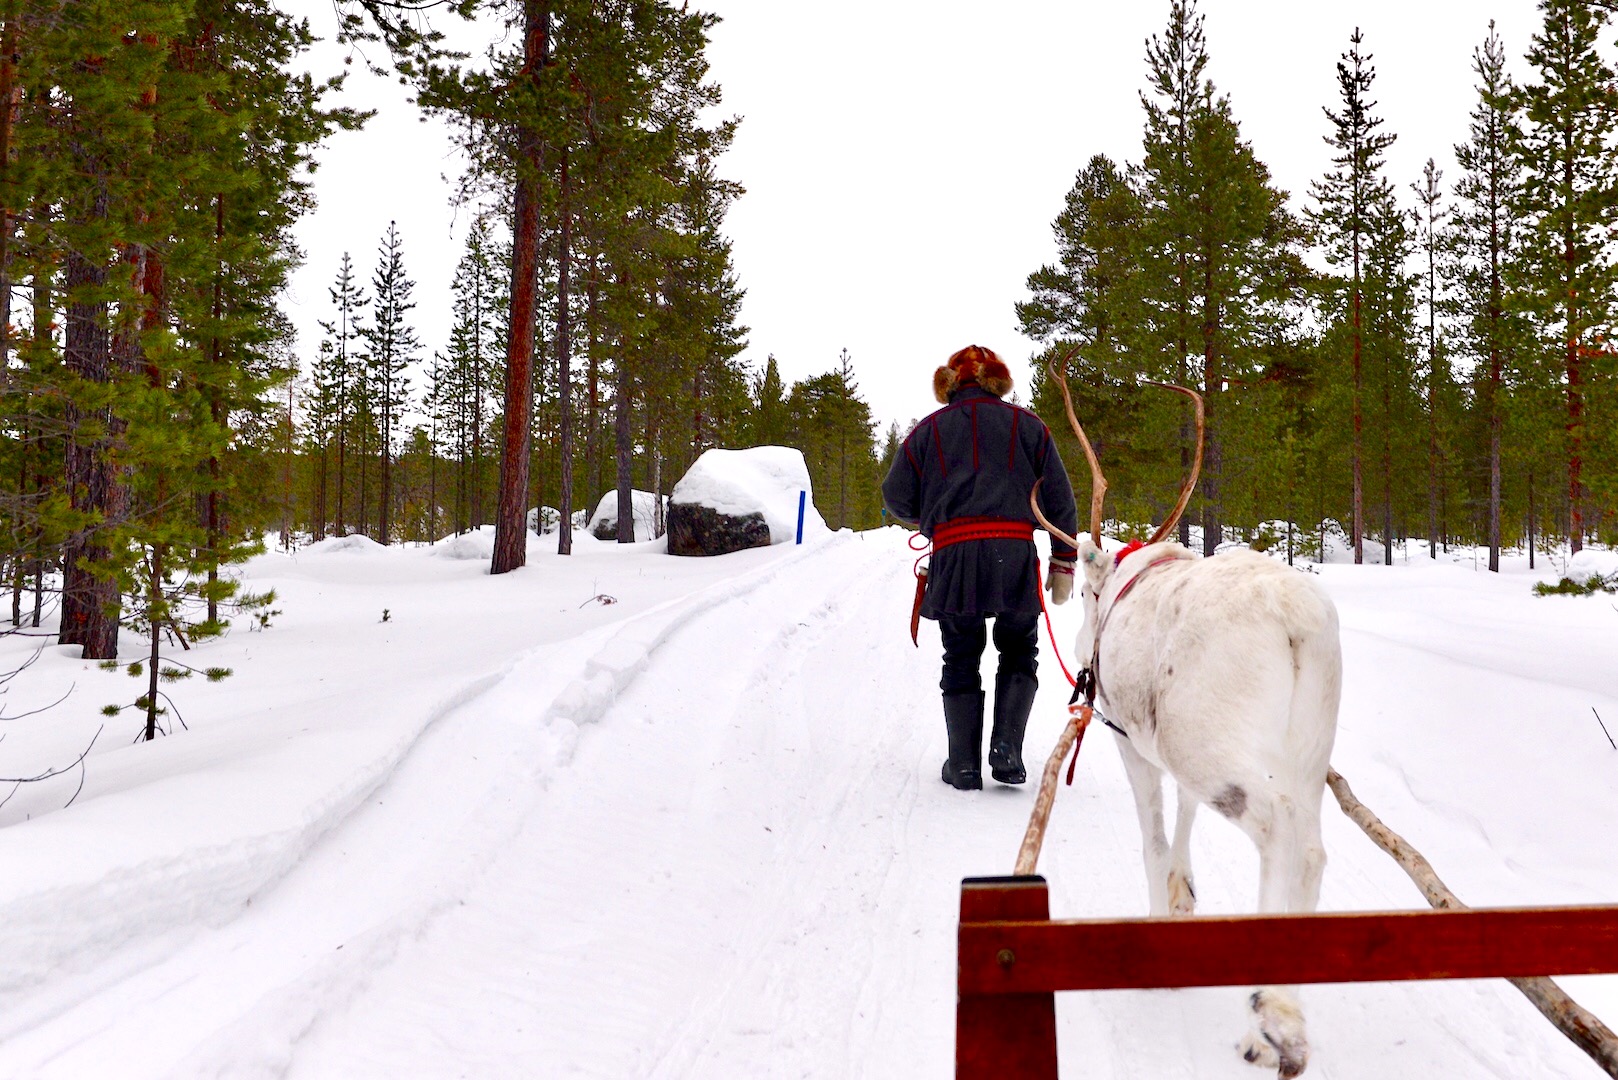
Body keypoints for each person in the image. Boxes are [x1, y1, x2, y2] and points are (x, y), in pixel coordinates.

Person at [881, 345, 1080, 791]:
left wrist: (932, 513)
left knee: (961, 653)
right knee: (1018, 649)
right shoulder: (1029, 426)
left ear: (950, 384)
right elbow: (1061, 500)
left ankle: (964, 766)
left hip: (953, 556)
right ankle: (1007, 754)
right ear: (997, 381)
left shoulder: (927, 432)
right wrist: (1063, 561)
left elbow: (894, 496)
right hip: (1014, 553)